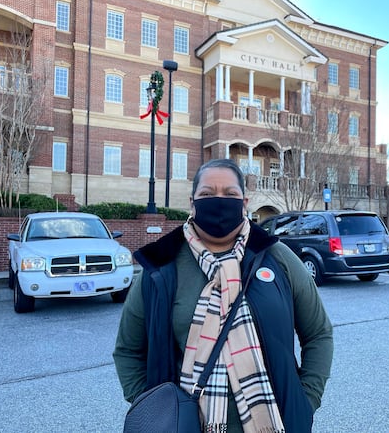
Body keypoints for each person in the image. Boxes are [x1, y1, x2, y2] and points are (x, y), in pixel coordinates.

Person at [113, 158, 333, 433]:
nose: (219, 201)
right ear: (192, 202)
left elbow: (318, 333)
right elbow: (128, 350)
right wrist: (153, 409)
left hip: (276, 423)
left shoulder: (277, 257)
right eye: (207, 194)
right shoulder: (161, 265)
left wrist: (306, 400)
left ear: (244, 203)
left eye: (230, 194)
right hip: (187, 426)